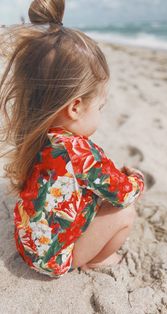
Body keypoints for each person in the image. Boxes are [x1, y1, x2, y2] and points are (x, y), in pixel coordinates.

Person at [0, 0, 145, 278]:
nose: (101, 114)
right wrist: (137, 179)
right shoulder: (78, 152)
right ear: (75, 107)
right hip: (54, 258)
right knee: (124, 212)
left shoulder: (36, 135)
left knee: (93, 196)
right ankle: (96, 259)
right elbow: (122, 192)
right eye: (99, 107)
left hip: (27, 243)